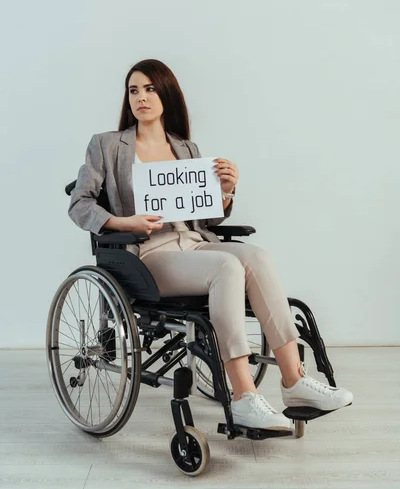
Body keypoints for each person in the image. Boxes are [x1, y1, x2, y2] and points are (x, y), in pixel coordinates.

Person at [68, 59, 353, 431]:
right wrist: (124, 221)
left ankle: (294, 380)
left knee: (256, 256)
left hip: (195, 242)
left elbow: (206, 218)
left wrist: (227, 190)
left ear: (166, 95)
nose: (141, 97)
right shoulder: (107, 145)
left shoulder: (186, 149)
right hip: (148, 254)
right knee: (226, 267)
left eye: (150, 89)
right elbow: (80, 204)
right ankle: (243, 396)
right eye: (134, 90)